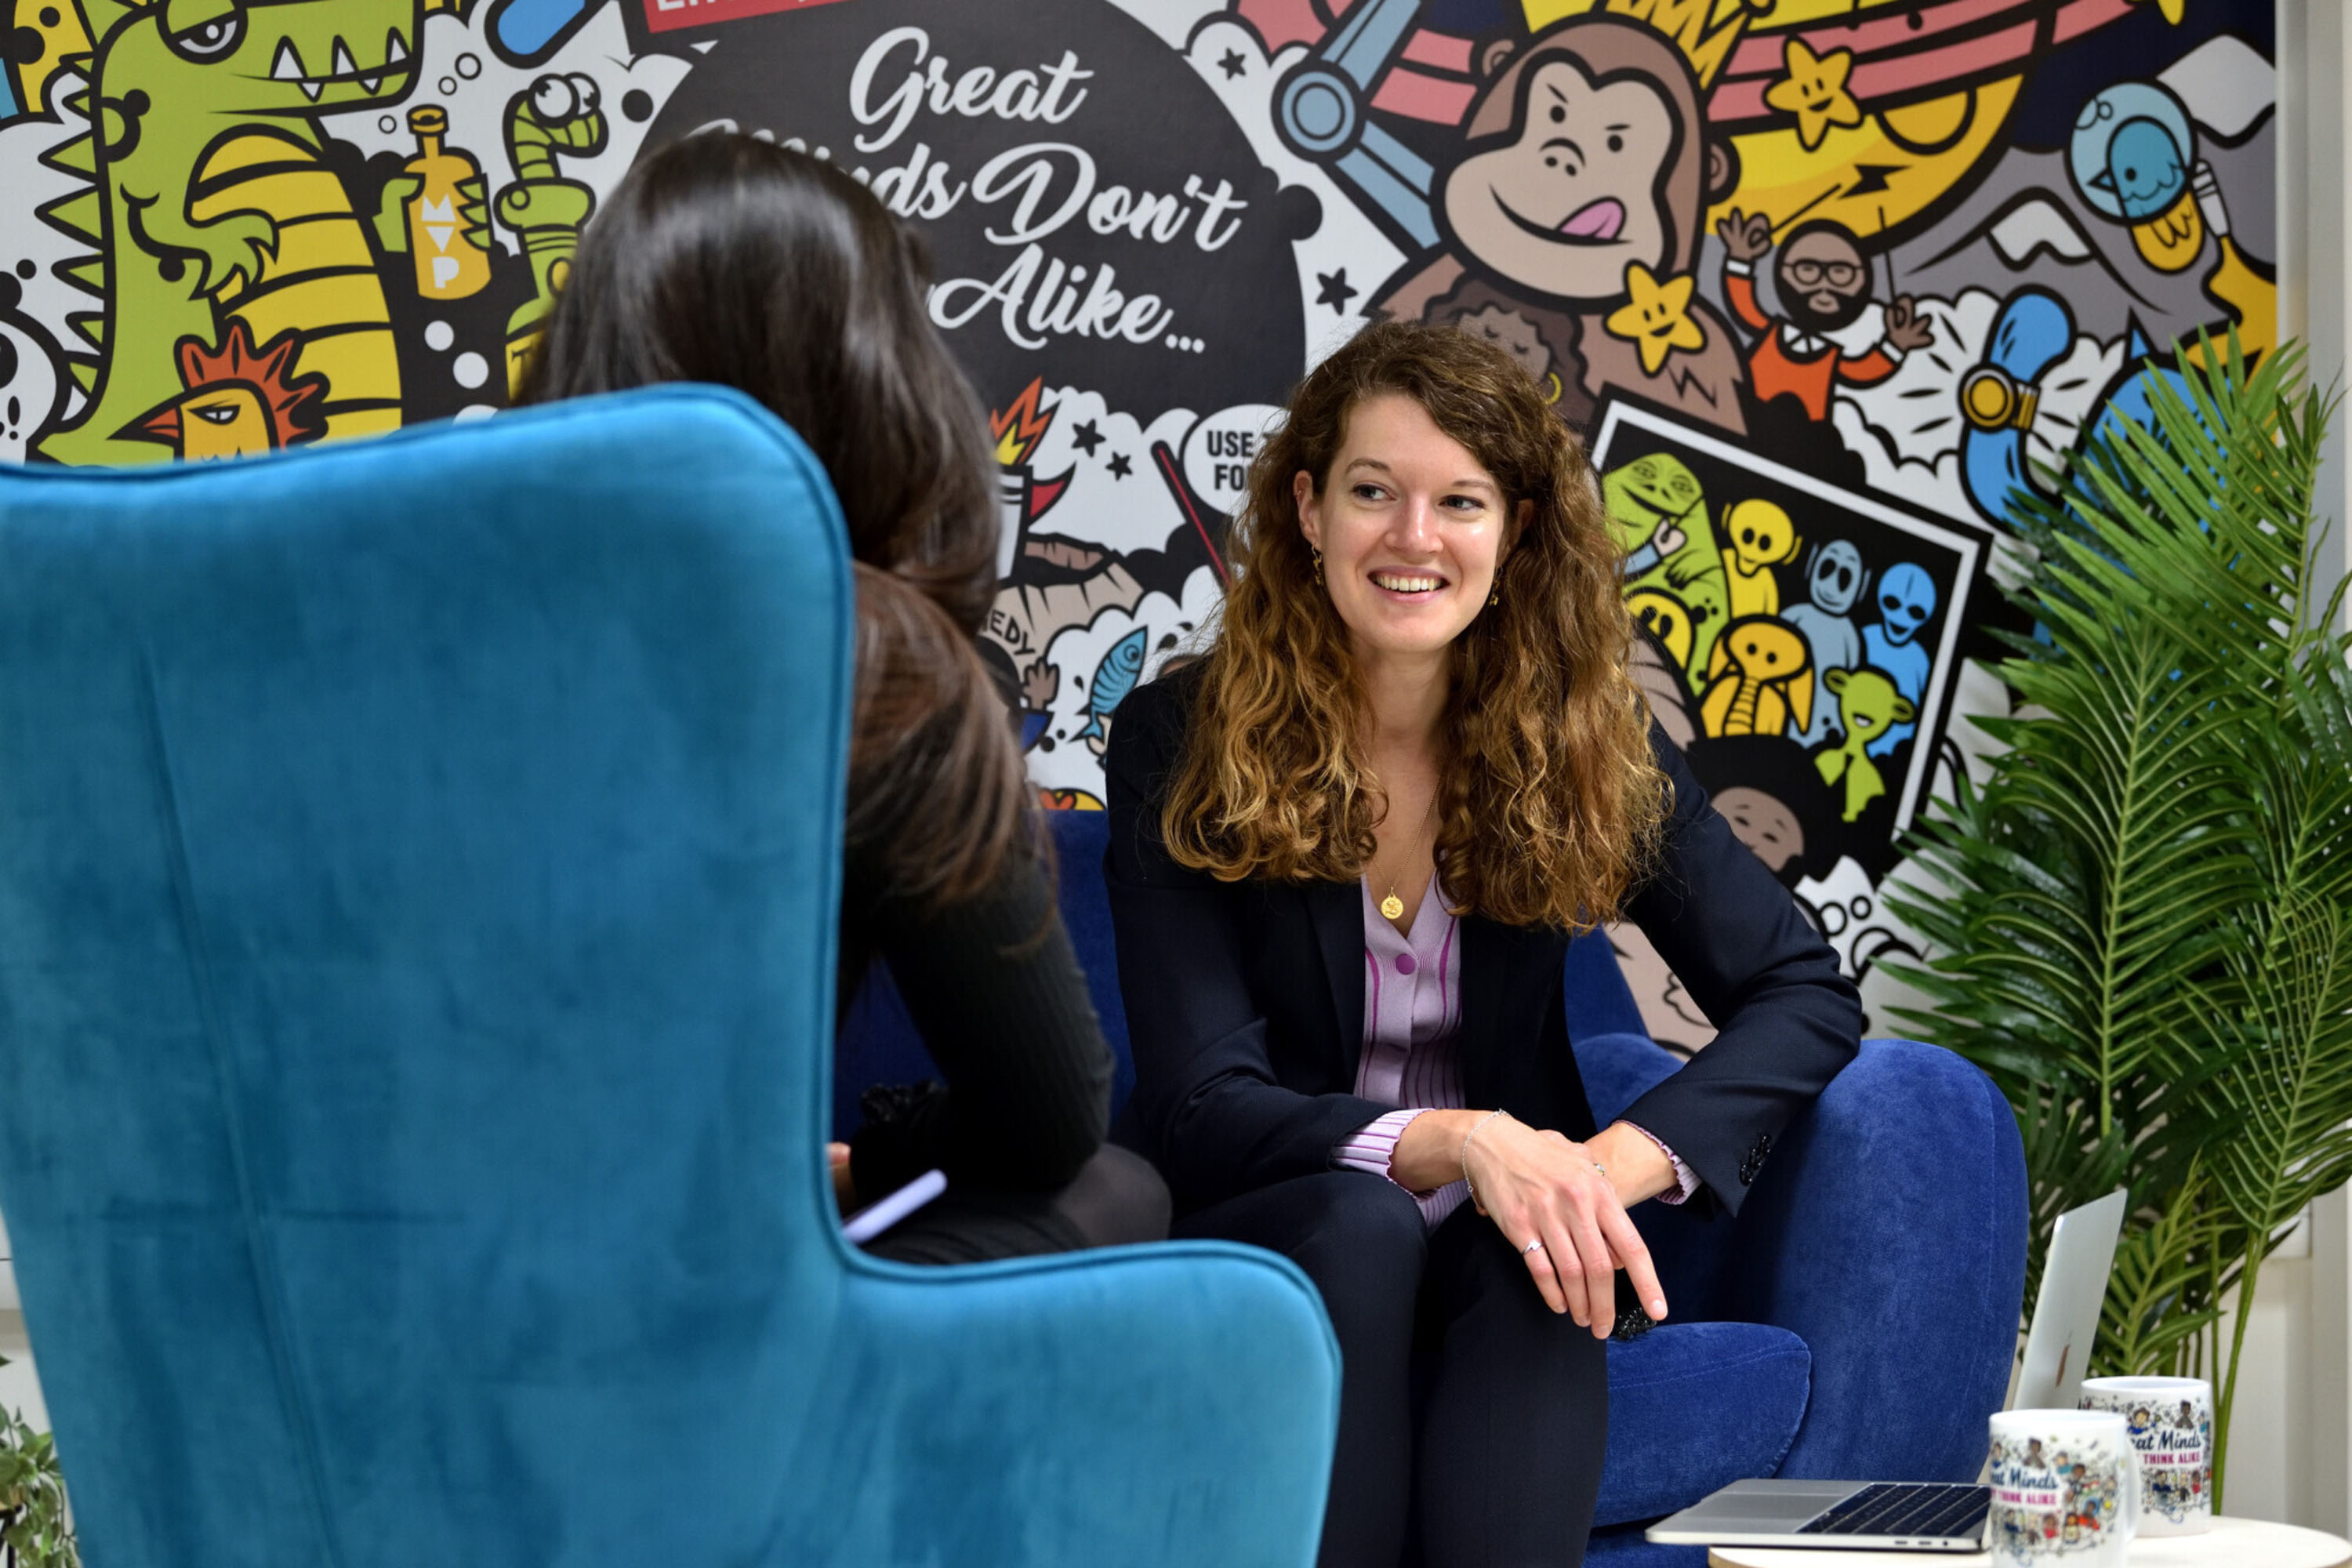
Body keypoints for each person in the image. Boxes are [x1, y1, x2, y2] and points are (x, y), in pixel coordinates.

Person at [1105, 321, 1860, 1566]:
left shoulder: (1578, 741)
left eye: (1459, 500)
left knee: (1542, 1254)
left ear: (1513, 534)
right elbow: (1200, 1105)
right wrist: (1462, 1141)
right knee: (1365, 1225)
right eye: (1372, 493)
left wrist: (1607, 1166)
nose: (1414, 538)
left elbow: (1803, 990)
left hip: (1498, 1242)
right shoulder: (1178, 738)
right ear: (1306, 509)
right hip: (1277, 1229)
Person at [518, 131, 1167, 1264]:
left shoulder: (406, 615)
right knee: (1114, 1193)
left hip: (334, 1308)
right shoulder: (869, 658)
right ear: (867, 378)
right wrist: (878, 1152)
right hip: (676, 1295)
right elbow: (1050, 1114)